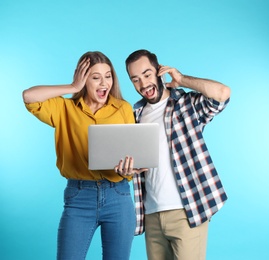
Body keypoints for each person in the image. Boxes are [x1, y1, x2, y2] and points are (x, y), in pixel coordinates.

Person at [115, 49, 231, 260]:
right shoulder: (135, 116)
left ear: (160, 72)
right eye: (135, 79)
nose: (143, 84)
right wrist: (128, 171)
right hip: (151, 216)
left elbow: (222, 93)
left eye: (147, 74)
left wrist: (183, 79)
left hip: (187, 211)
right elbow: (135, 168)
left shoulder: (186, 105)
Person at [22, 51, 137, 260]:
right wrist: (72, 88)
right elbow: (28, 96)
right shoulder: (64, 108)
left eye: (108, 75)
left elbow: (132, 152)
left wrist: (130, 169)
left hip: (118, 195)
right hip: (79, 197)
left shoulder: (123, 108)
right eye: (96, 77)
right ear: (84, 79)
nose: (104, 83)